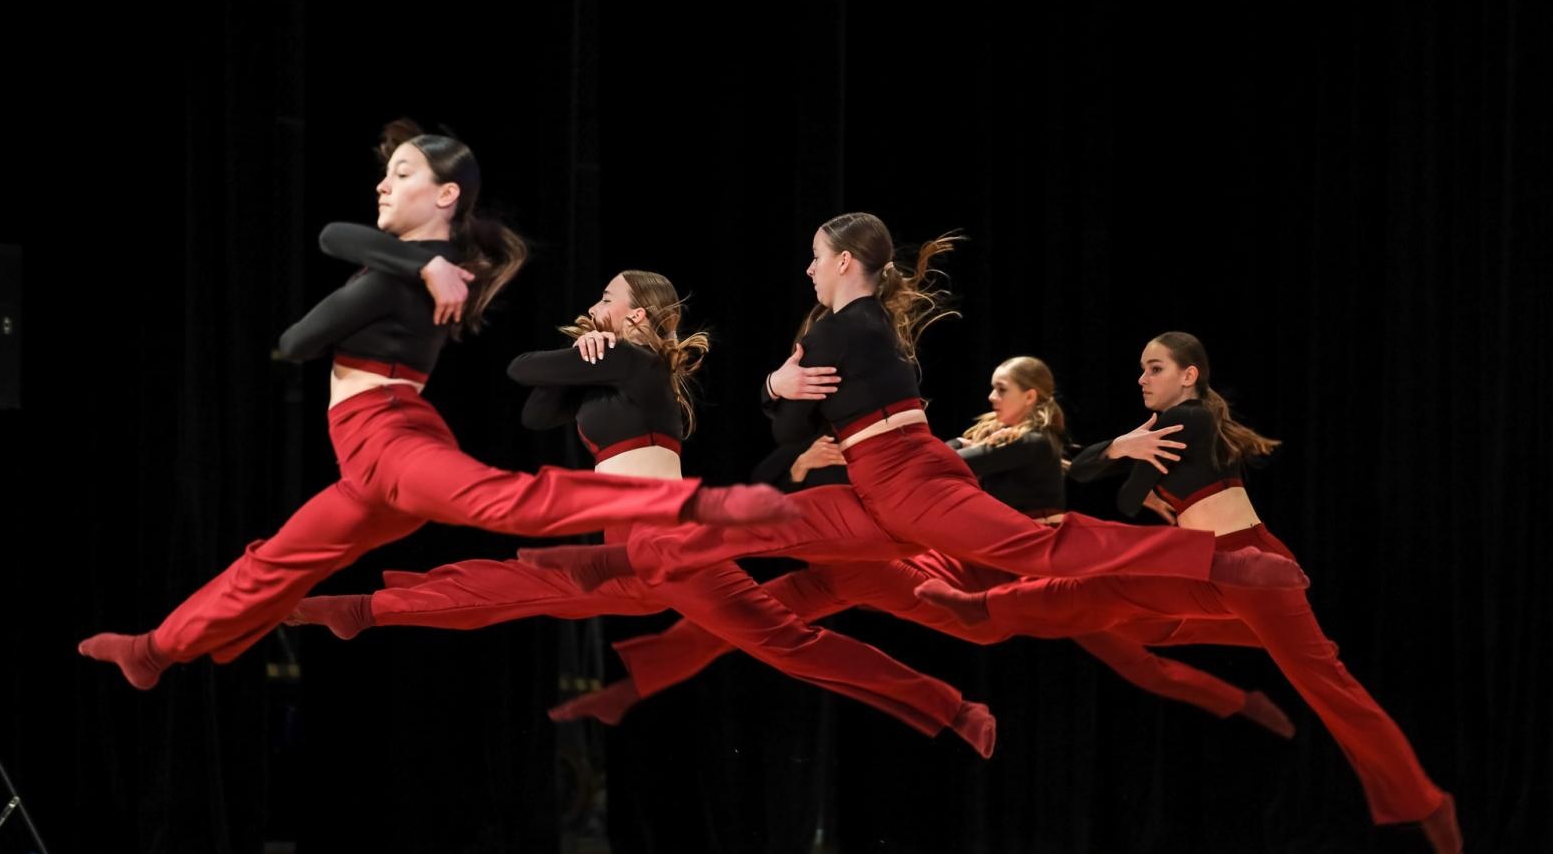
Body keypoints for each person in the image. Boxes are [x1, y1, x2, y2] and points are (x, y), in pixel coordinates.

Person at [76, 121, 790, 691]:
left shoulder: (428, 276)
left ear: (446, 196)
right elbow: (338, 240)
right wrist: (418, 261)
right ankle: (157, 648)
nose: (384, 184)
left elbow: (297, 338)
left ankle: (713, 507)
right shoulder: (423, 268)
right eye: (386, 173)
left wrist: (414, 268)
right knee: (273, 563)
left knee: (510, 503)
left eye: (404, 174)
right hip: (365, 464)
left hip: (393, 440)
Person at [288, 269, 999, 756]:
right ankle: (365, 612)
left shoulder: (637, 365)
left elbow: (517, 371)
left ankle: (952, 707)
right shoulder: (612, 366)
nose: (593, 303)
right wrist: (581, 350)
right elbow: (538, 409)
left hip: (666, 540)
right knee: (519, 586)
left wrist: (585, 350)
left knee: (787, 643)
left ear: (633, 311)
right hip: (629, 546)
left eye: (606, 297)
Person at [519, 211, 1310, 598]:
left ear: (850, 263)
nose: (806, 270)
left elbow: (792, 423)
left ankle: (1215, 562)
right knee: (759, 522)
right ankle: (604, 559)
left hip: (913, 482)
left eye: (817, 259)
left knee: (1035, 550)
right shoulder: (854, 326)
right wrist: (783, 391)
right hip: (877, 485)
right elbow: (793, 428)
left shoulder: (847, 323)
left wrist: (777, 387)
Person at [913, 332, 1463, 854]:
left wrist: (1125, 456)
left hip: (1248, 569)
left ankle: (1427, 803)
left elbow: (1126, 498)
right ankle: (983, 606)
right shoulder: (1169, 427)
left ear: (1189, 375)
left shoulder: (1191, 418)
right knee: (1120, 607)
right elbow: (1083, 470)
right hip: (1201, 568)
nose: (1142, 378)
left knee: (1329, 690)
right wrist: (1124, 452)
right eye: (1142, 368)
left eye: (1155, 368)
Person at [553, 354, 1294, 740]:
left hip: (1005, 570)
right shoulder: (988, 432)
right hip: (942, 562)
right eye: (995, 387)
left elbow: (962, 470)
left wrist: (871, 452)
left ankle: (1248, 657)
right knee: (767, 608)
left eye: (1004, 388)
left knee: (1144, 655)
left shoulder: (1031, 438)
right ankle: (630, 688)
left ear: (1032, 398)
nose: (993, 395)